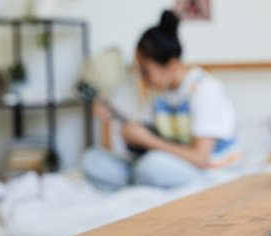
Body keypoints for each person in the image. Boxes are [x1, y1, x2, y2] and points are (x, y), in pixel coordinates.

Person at [81, 10, 238, 191]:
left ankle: (138, 182)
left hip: (208, 173)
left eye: (146, 71)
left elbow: (200, 158)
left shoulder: (205, 90)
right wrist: (125, 131)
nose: (143, 79)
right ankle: (140, 182)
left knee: (151, 166)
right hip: (167, 165)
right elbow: (148, 141)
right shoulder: (159, 94)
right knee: (91, 160)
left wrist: (148, 141)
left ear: (172, 65)